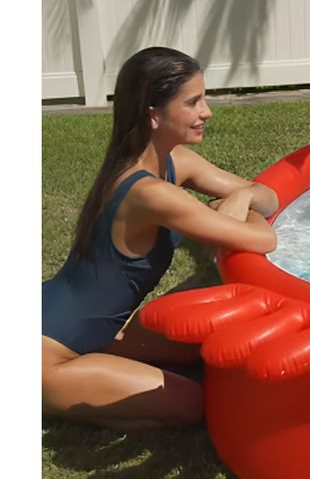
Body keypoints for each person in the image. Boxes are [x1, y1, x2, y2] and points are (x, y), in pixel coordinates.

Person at [42, 47, 279, 430]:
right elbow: (262, 239)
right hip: (47, 354)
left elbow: (268, 197)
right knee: (192, 403)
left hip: (99, 329)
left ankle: (99, 373)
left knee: (205, 347)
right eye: (192, 102)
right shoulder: (149, 194)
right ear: (154, 114)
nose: (207, 112)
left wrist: (244, 196)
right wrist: (237, 202)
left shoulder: (174, 161)